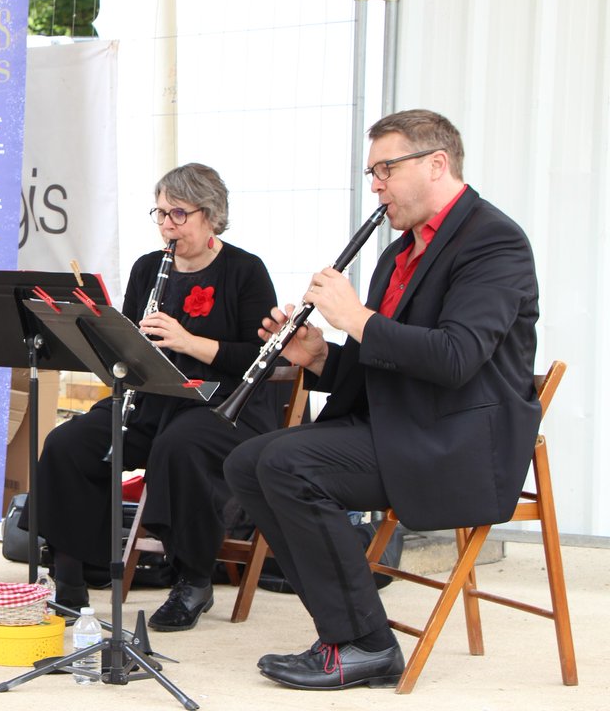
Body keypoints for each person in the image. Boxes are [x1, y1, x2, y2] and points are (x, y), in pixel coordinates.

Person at [224, 109, 541, 690]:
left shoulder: (495, 242)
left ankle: (365, 643)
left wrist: (357, 318)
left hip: (456, 440)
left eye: (385, 169)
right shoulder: (400, 253)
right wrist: (319, 355)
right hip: (399, 425)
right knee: (247, 461)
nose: (375, 185)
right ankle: (345, 628)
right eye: (373, 172)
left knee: (287, 464)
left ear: (436, 164)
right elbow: (383, 367)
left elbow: (454, 357)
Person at [31, 162, 281, 632]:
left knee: (180, 446)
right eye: (160, 213)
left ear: (211, 215)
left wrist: (188, 342)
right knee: (69, 443)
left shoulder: (245, 271)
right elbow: (126, 344)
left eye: (178, 214)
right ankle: (69, 582)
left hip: (225, 407)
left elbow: (260, 357)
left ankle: (193, 579)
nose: (167, 224)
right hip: (151, 399)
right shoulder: (149, 268)